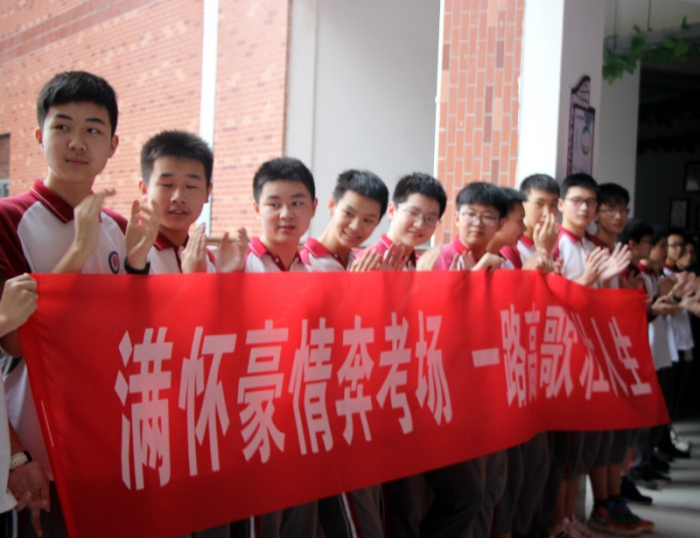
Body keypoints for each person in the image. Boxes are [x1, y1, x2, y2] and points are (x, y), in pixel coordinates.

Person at [0, 70, 148, 537]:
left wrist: (139, 267)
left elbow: (134, 334)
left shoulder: (120, 227)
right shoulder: (10, 218)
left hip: (109, 447)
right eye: (62, 126)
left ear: (113, 145)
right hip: (37, 454)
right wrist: (79, 249)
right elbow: (14, 342)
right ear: (39, 135)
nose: (77, 142)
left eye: (93, 130)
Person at [300, 168, 391, 538]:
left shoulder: (363, 263)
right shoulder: (302, 261)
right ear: (331, 205)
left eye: (369, 220)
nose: (356, 226)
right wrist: (355, 293)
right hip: (320, 418)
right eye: (349, 213)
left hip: (357, 410)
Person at [235, 156, 318, 538]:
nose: (286, 214)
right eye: (274, 204)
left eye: (297, 203)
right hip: (254, 423)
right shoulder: (237, 266)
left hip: (301, 422)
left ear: (313, 207)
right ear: (257, 208)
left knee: (299, 524)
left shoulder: (313, 272)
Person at [549, 174, 629, 538]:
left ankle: (569, 518)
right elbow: (552, 303)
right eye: (577, 201)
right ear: (561, 204)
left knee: (580, 450)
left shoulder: (589, 246)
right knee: (566, 449)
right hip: (564, 358)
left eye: (590, 202)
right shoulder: (556, 245)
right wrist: (586, 281)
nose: (584, 208)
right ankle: (557, 522)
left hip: (592, 357)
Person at [586, 185, 654, 535]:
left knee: (617, 434)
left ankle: (614, 499)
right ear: (596, 213)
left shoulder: (617, 253)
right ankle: (602, 505)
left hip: (620, 352)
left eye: (623, 209)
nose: (618, 215)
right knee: (601, 435)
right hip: (595, 357)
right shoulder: (589, 250)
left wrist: (631, 297)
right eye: (610, 208)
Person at [133, 129, 248, 277]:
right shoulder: (131, 252)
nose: (179, 197)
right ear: (144, 189)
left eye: (191, 186)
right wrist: (193, 280)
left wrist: (224, 278)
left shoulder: (206, 258)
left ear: (207, 192)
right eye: (167, 185)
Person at [356, 173, 446, 270]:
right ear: (391, 210)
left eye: (430, 218)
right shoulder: (366, 262)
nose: (420, 225)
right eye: (413, 212)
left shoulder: (425, 265)